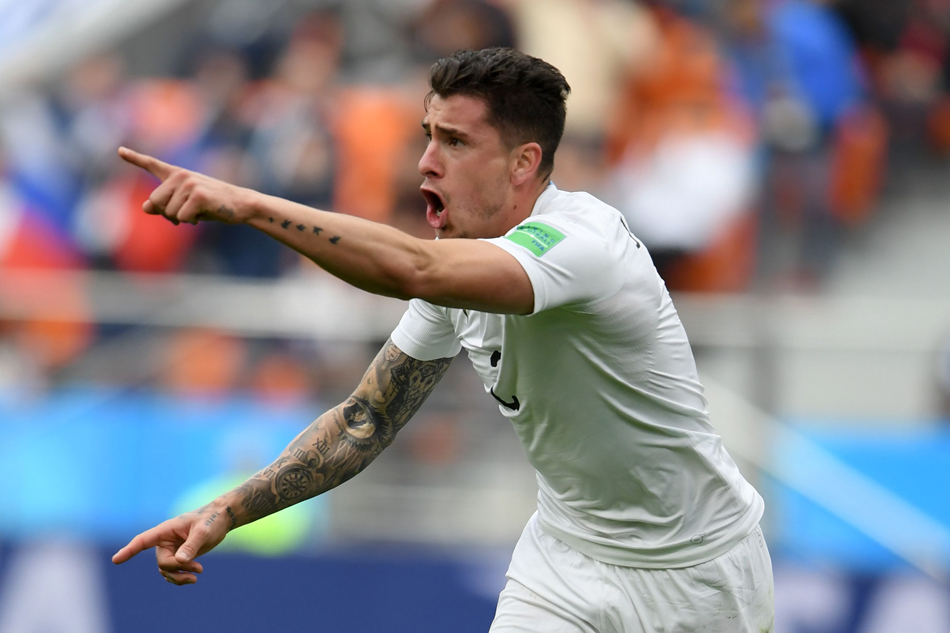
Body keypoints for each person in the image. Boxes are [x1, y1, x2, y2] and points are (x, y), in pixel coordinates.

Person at [112, 48, 774, 632]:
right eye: (428, 136)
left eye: (455, 142)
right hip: (567, 558)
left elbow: (412, 269)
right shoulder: (456, 268)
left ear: (523, 162)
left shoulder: (582, 242)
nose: (425, 162)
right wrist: (226, 509)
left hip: (698, 571)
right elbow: (366, 420)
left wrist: (252, 205)